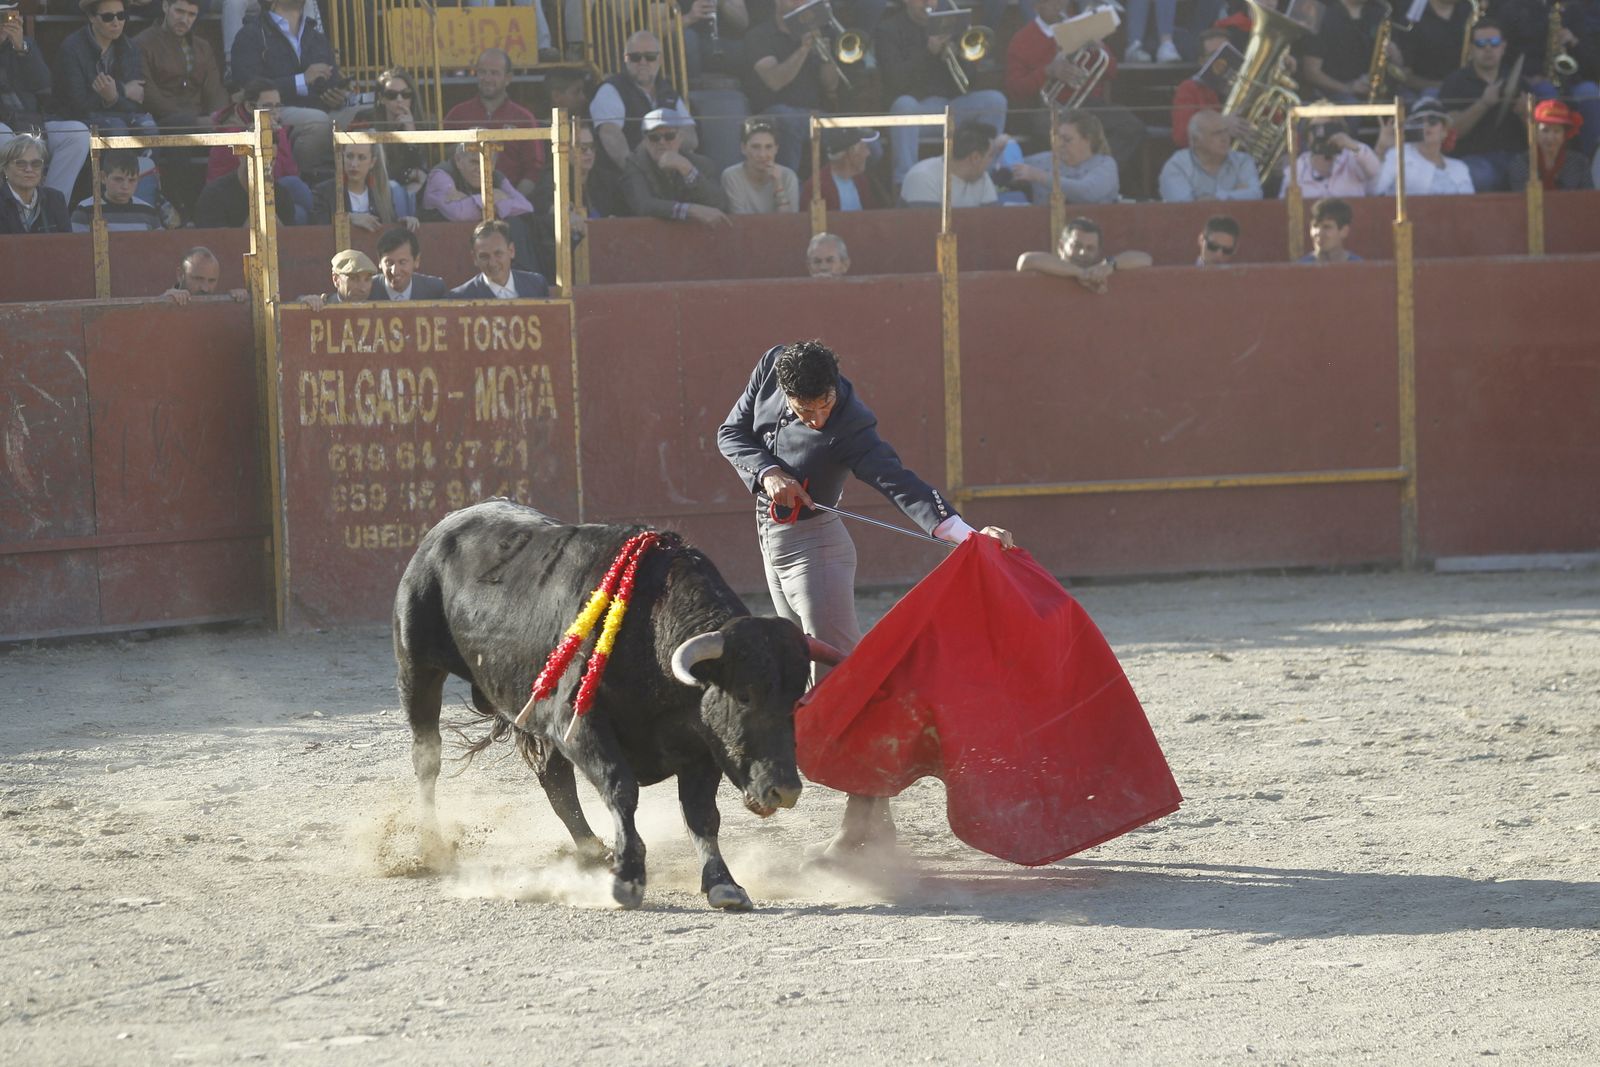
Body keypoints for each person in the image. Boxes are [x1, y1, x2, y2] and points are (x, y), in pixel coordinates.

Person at [716, 339, 1015, 860]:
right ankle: (867, 822)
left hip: (818, 552)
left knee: (847, 685)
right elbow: (731, 433)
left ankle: (863, 825)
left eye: (824, 405)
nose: (816, 417)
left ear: (836, 389)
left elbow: (900, 483)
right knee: (800, 675)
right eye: (805, 409)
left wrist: (968, 535)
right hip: (771, 542)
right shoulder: (769, 367)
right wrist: (769, 473)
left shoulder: (851, 423)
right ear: (786, 392)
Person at [875, 0, 1009, 187]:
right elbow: (896, 82)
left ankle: (985, 176)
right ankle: (904, 182)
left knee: (995, 101)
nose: (927, 4)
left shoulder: (951, 24)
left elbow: (968, 84)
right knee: (903, 104)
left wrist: (959, 57)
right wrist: (928, 53)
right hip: (919, 110)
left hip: (953, 107)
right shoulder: (888, 29)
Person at [1004, 0, 1145, 168]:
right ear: (1036, 5)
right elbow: (1015, 88)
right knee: (1052, 133)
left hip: (1085, 103)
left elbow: (1112, 71)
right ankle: (1072, 178)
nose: (1058, 5)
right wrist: (1048, 71)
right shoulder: (1022, 39)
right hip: (1046, 108)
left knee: (1131, 126)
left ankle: (1097, 171)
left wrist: (1100, 48)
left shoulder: (1079, 28)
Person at [227, 0, 343, 180]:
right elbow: (248, 85)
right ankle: (301, 182)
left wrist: (338, 95)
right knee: (319, 122)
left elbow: (333, 79)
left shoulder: (316, 37)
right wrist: (301, 80)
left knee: (365, 117)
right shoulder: (251, 34)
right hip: (275, 110)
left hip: (321, 107)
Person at [0, 1, 91, 203]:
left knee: (77, 133)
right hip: (4, 128)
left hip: (30, 123)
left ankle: (52, 205)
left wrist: (21, 49)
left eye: (6, 17)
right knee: (3, 136)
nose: (2, 23)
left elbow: (44, 87)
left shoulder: (26, 45)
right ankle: (13, 206)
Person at [745, 0, 842, 173]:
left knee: (867, 145)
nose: (800, 2)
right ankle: (789, 190)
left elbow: (831, 86)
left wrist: (826, 57)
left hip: (815, 114)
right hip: (775, 114)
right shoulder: (759, 35)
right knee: (788, 120)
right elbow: (774, 80)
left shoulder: (819, 32)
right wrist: (804, 50)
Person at [1438, 18, 1533, 192]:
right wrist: (1483, 104)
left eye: (1494, 43)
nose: (1488, 48)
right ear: (1471, 49)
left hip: (1516, 157)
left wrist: (1525, 115)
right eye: (1481, 43)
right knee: (1479, 176)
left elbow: (1539, 137)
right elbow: (1449, 132)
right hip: (1474, 158)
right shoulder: (1456, 82)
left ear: (1503, 47)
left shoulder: (1518, 81)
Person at [444, 49, 548, 205]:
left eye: (494, 73)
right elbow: (445, 162)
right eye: (482, 72)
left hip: (511, 207)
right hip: (463, 204)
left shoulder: (524, 119)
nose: (487, 78)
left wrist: (512, 201)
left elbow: (533, 171)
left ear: (508, 78)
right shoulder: (457, 114)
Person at [207, 78, 313, 224]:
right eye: (268, 107)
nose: (275, 113)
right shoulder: (232, 133)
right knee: (295, 190)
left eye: (278, 106)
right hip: (235, 198)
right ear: (250, 107)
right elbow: (255, 172)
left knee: (299, 207)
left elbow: (290, 169)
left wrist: (276, 137)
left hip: (270, 192)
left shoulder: (277, 129)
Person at [592, 31, 686, 173]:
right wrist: (637, 172)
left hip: (670, 169)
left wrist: (668, 153)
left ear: (660, 60)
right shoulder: (611, 90)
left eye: (650, 57)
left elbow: (690, 136)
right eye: (635, 57)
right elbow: (610, 136)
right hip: (625, 176)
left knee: (705, 166)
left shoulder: (667, 89)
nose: (643, 62)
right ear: (625, 59)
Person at [620, 107, 729, 223]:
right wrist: (690, 210)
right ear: (645, 141)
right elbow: (643, 205)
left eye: (669, 136)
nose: (662, 142)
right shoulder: (634, 163)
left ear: (680, 138)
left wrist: (688, 170)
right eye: (654, 137)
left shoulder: (700, 163)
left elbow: (719, 203)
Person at [133, 0, 226, 129]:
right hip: (160, 120)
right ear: (165, 6)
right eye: (179, 11)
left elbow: (214, 89)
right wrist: (193, 121)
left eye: (191, 14)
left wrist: (219, 116)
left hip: (201, 118)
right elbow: (149, 94)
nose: (184, 19)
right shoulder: (142, 43)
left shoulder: (202, 47)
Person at [351, 67, 430, 217]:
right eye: (392, 95)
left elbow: (422, 170)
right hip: (371, 184)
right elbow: (370, 168)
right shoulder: (365, 121)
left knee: (414, 189)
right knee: (396, 188)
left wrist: (411, 135)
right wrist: (407, 175)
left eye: (405, 94)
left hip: (409, 188)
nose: (400, 100)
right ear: (381, 98)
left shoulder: (419, 124)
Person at [1015, 215, 1152, 293]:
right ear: (1061, 247)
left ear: (1098, 252)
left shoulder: (1100, 270)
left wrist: (1109, 266)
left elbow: (1145, 259)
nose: (1082, 252)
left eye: (1090, 248)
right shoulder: (1051, 264)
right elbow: (1026, 260)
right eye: (1077, 246)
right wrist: (1080, 273)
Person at [1011, 108, 1119, 205]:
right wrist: (1001, 148)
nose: (1059, 144)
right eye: (1057, 139)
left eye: (1067, 140)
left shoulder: (1105, 164)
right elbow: (1005, 169)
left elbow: (1087, 193)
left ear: (1087, 140)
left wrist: (1039, 176)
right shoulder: (1043, 160)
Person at [1373, 96, 1475, 195]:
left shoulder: (1460, 167)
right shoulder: (1398, 155)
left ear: (1444, 131)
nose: (1425, 125)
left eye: (1432, 121)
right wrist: (1381, 149)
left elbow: (1471, 206)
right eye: (1418, 121)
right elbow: (1373, 190)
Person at [1159, 109, 1263, 201]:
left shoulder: (1243, 161)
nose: (1224, 138)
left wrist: (1218, 197)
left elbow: (1256, 195)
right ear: (1196, 141)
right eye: (1216, 133)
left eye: (1226, 131)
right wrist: (1236, 194)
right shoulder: (1177, 166)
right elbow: (1186, 209)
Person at [311, 141, 417, 231]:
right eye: (349, 156)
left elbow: (387, 229)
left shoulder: (381, 192)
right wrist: (348, 218)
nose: (354, 164)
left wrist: (402, 223)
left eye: (361, 158)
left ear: (372, 162)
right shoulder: (323, 192)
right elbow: (319, 229)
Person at [422, 141, 535, 222]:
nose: (480, 169)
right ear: (458, 160)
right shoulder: (440, 175)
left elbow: (526, 207)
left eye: (486, 162)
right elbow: (459, 214)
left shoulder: (496, 176)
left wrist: (470, 201)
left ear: (494, 164)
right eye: (474, 162)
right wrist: (492, 198)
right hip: (443, 242)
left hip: (481, 242)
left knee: (516, 225)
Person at [898, 118, 1000, 207]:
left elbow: (991, 223)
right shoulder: (923, 178)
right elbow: (929, 226)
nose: (992, 161)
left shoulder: (983, 178)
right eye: (990, 155)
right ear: (975, 158)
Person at [1300, 0, 1388, 102]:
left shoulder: (1376, 13)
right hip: (1330, 94)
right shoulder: (1325, 14)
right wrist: (1347, 88)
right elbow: (1311, 72)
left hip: (1366, 90)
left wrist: (1393, 54)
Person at [448, 218, 551, 300]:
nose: (492, 263)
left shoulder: (537, 285)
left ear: (511, 251)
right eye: (484, 256)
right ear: (474, 258)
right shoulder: (460, 297)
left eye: (498, 254)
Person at [1281, 116, 1381, 198]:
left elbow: (1375, 171)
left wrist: (1351, 144)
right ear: (1307, 135)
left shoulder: (1354, 159)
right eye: (1315, 129)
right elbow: (1284, 206)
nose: (1322, 134)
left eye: (1328, 127)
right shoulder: (1296, 170)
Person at [1508, 98, 1594, 190]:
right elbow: (1520, 200)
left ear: (1564, 135)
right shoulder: (1521, 163)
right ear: (1535, 133)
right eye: (1545, 130)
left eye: (1556, 131)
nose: (1550, 137)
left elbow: (1589, 200)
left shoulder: (1579, 164)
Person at [192, 152, 296, 226]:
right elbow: (215, 246)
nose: (266, 164)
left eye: (271, 159)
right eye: (259, 156)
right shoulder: (213, 196)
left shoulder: (281, 195)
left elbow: (289, 245)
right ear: (241, 155)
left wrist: (276, 225)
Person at [70, 147, 162, 231]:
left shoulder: (148, 212)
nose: (125, 186)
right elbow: (77, 247)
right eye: (118, 179)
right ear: (103, 177)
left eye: (132, 180)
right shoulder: (85, 211)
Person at [722, 117, 799, 213]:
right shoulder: (732, 176)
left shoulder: (788, 176)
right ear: (743, 148)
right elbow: (739, 221)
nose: (762, 154)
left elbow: (790, 222)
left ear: (776, 149)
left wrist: (778, 185)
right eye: (755, 147)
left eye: (768, 147)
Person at [799, 127, 884, 211]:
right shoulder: (816, 188)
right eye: (864, 147)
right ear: (850, 153)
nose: (868, 153)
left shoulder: (860, 180)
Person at [0, 132, 68, 233]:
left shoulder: (56, 199)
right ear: (5, 168)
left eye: (36, 163)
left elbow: (67, 245)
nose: (29, 169)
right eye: (21, 163)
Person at [299, 248, 388, 312]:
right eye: (354, 279)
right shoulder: (323, 305)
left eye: (367, 279)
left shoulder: (381, 307)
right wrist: (306, 302)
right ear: (336, 279)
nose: (363, 289)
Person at [375, 226, 448, 301]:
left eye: (402, 262)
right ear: (379, 262)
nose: (394, 271)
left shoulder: (435, 290)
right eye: (389, 263)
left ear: (416, 261)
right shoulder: (367, 290)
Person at [163, 245, 247, 303]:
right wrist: (164, 299)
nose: (205, 289)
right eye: (198, 279)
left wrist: (238, 298)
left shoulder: (219, 308)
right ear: (180, 275)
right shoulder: (167, 297)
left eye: (211, 281)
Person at [1297, 197, 1362, 264]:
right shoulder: (1301, 267)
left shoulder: (1358, 266)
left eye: (1327, 227)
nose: (1318, 232)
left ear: (1344, 231)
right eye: (1315, 226)